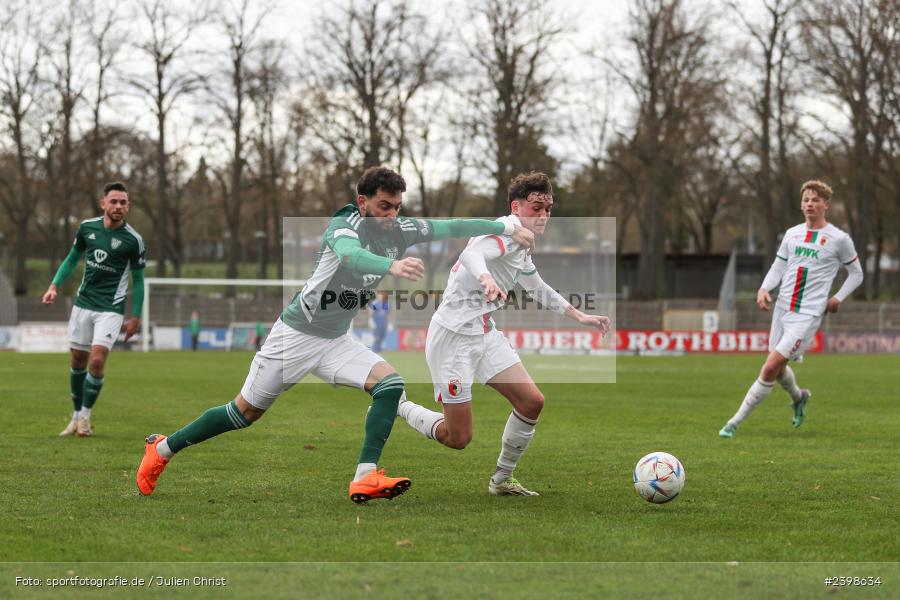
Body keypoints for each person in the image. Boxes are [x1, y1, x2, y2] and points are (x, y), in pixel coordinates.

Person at [136, 166, 535, 503]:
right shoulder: (344, 225)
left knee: (390, 385)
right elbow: (350, 256)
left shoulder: (400, 229)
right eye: (384, 206)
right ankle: (163, 448)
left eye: (397, 206)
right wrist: (391, 266)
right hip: (295, 336)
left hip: (336, 340)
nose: (392, 215)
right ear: (363, 202)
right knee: (244, 413)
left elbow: (453, 226)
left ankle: (365, 476)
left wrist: (504, 226)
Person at [397, 172, 611, 496]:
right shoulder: (506, 231)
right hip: (453, 338)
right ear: (516, 207)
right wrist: (486, 279)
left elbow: (536, 287)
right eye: (536, 207)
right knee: (458, 438)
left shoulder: (521, 242)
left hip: (484, 332)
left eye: (548, 209)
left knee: (532, 402)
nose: (543, 215)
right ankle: (398, 405)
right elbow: (470, 255)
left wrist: (579, 315)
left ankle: (501, 480)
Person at [719, 180, 863, 438]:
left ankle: (733, 423)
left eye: (816, 200)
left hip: (808, 314)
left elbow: (857, 273)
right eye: (806, 200)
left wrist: (838, 298)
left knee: (769, 367)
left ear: (826, 205)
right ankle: (799, 397)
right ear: (801, 205)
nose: (810, 204)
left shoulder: (839, 239)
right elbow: (779, 266)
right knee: (779, 369)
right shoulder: (792, 234)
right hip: (783, 308)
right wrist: (764, 289)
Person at [42, 182, 146, 437]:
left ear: (128, 206)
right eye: (114, 201)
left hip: (111, 308)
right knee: (77, 360)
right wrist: (54, 286)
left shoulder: (134, 240)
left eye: (123, 202)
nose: (118, 206)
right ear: (103, 204)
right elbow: (71, 259)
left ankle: (85, 417)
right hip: (83, 304)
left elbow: (139, 280)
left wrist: (136, 315)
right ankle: (75, 416)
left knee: (97, 361)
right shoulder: (87, 228)